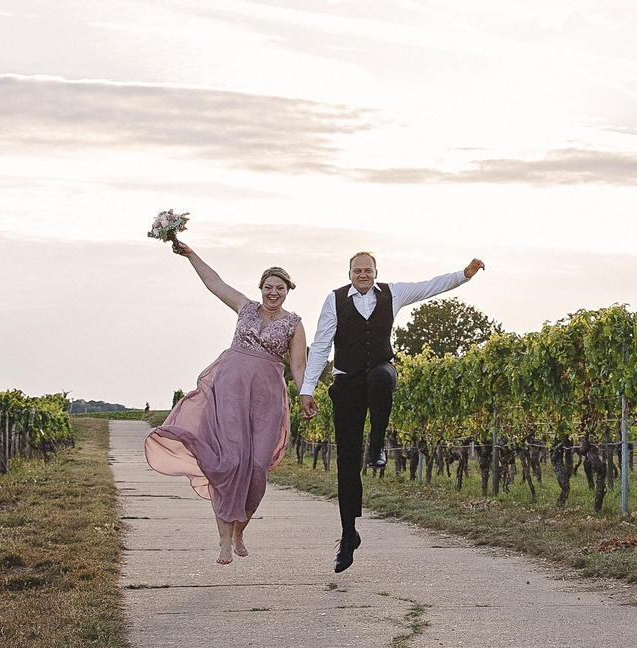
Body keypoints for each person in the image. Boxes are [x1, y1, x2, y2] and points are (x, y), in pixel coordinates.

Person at [299, 250, 485, 570]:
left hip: (380, 370)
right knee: (346, 463)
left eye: (368, 270)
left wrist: (464, 275)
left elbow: (430, 286)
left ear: (376, 272)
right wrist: (307, 389)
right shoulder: (335, 301)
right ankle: (348, 535)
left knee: (381, 376)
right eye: (357, 271)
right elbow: (320, 345)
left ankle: (377, 446)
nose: (363, 275)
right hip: (347, 382)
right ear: (349, 274)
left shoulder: (392, 293)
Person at [144, 239, 307, 564]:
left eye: (280, 288)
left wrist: (306, 396)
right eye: (268, 287)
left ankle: (239, 530)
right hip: (230, 389)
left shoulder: (294, 323)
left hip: (266, 398)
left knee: (257, 468)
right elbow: (215, 283)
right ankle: (223, 539)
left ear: (288, 290)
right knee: (229, 463)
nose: (273, 292)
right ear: (260, 288)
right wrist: (191, 254)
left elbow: (299, 366)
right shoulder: (245, 307)